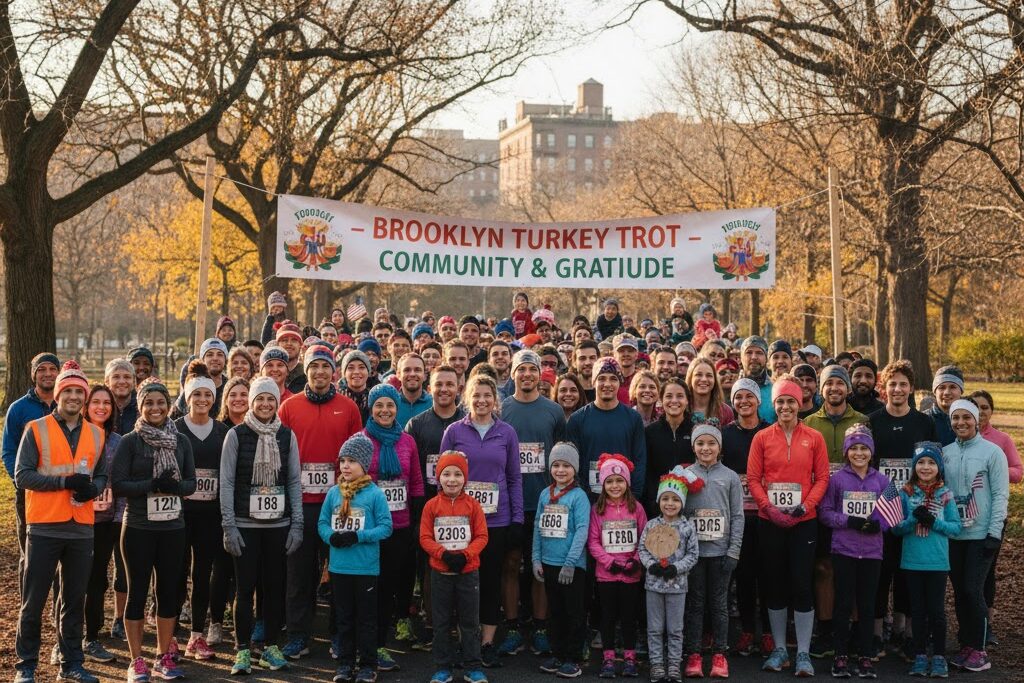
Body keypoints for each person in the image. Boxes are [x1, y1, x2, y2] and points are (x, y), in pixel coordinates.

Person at [14, 361, 106, 683]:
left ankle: (72, 662)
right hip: (43, 526)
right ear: (57, 394)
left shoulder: (96, 433)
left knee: (74, 601)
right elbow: (22, 475)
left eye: (78, 391)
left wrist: (95, 488)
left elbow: (103, 472)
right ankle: (25, 666)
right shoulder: (36, 429)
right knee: (33, 601)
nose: (73, 397)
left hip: (81, 527)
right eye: (66, 390)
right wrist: (65, 482)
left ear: (84, 396)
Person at [278, 345, 363, 659]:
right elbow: (279, 453)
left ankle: (339, 636)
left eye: (325, 367)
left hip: (339, 503)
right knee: (299, 573)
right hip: (300, 503)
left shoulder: (349, 408)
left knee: (340, 573)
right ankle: (299, 635)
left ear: (334, 372)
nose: (319, 373)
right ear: (306, 370)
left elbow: (359, 455)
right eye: (314, 367)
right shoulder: (289, 407)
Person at [112, 376, 197, 682]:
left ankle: (163, 655)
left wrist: (176, 487)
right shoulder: (129, 442)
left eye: (161, 402)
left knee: (168, 593)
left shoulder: (181, 441)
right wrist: (152, 485)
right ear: (140, 406)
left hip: (173, 528)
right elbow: (118, 484)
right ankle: (136, 660)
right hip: (138, 528)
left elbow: (192, 482)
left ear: (168, 405)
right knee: (137, 592)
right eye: (149, 402)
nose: (156, 407)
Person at [746, 375, 829, 677]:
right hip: (771, 522)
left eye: (790, 401)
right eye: (780, 401)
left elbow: (822, 478)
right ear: (774, 404)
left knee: (802, 584)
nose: (785, 406)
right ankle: (780, 649)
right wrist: (768, 508)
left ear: (799, 404)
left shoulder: (814, 438)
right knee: (775, 585)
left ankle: (803, 653)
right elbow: (753, 478)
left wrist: (806, 506)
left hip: (804, 522)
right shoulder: (762, 438)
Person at [219, 376, 302, 674]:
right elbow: (227, 482)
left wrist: (297, 525)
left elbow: (293, 480)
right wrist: (228, 526)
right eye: (260, 399)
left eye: (270, 399)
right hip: (244, 525)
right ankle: (242, 650)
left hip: (278, 526)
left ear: (277, 403)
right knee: (244, 589)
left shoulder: (287, 435)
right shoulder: (237, 435)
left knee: (274, 588)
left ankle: (270, 646)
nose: (265, 404)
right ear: (252, 403)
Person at [439, 374, 524, 668]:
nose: (482, 400)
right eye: (476, 395)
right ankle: (465, 641)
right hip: (461, 521)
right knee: (462, 582)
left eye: (488, 395)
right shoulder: (453, 431)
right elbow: (443, 477)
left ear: (495, 400)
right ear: (467, 398)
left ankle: (486, 642)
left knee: (489, 582)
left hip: (496, 520)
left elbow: (514, 478)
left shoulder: (507, 433)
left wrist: (517, 518)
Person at [498, 350, 567, 658]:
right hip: (511, 503)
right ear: (513, 373)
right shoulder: (502, 408)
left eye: (532, 369)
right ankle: (512, 627)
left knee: (541, 567)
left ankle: (540, 627)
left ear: (540, 374)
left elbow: (563, 455)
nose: (526, 374)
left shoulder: (553, 411)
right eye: (521, 369)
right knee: (511, 564)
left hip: (546, 502)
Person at [867, 360, 936, 657]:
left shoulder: (923, 422)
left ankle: (905, 631)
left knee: (908, 571)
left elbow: (931, 463)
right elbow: (864, 462)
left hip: (912, 505)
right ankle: (877, 633)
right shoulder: (872, 420)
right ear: (884, 388)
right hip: (882, 505)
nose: (897, 389)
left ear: (911, 388)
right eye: (892, 383)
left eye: (903, 384)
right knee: (882, 571)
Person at [318, 433, 393, 683]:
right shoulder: (333, 494)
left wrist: (358, 536)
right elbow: (321, 523)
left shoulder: (375, 494)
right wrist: (332, 537)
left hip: (365, 569)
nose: (345, 466)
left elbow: (386, 527)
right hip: (340, 568)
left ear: (365, 464)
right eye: (342, 461)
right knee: (344, 619)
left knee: (367, 621)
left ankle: (368, 665)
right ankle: (345, 664)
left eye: (351, 461)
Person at [803, 365, 865, 657]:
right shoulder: (809, 422)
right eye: (829, 384)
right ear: (820, 388)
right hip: (820, 503)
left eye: (840, 383)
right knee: (823, 568)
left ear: (848, 389)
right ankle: (826, 630)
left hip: (855, 502)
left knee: (851, 569)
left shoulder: (863, 420)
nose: (834, 389)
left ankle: (852, 630)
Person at [361, 383, 425, 669]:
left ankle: (380, 645)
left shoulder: (407, 441)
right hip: (369, 528)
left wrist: (416, 518)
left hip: (399, 527)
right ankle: (360, 644)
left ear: (396, 409)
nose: (385, 410)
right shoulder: (360, 440)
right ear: (371, 409)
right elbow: (349, 481)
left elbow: (416, 482)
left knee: (388, 588)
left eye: (390, 405)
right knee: (366, 589)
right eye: (379, 405)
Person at [819, 425, 890, 679]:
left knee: (867, 605)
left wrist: (877, 524)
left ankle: (865, 655)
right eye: (854, 448)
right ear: (847, 452)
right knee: (843, 603)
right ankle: (840, 655)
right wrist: (848, 521)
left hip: (872, 552)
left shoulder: (883, 481)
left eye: (864, 448)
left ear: (871, 452)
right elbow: (825, 512)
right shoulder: (837, 480)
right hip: (844, 550)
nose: (859, 453)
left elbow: (892, 514)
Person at [942, 398, 1008, 673]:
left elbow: (1001, 495)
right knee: (959, 592)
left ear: (977, 419)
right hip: (955, 533)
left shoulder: (993, 452)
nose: (961, 423)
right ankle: (966, 645)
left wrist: (994, 532)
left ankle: (980, 650)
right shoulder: (945, 453)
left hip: (982, 533)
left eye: (966, 418)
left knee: (973, 589)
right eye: (956, 418)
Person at [405, 365, 466, 649]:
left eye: (449, 384)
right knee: (430, 568)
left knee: (464, 567)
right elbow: (412, 472)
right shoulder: (417, 424)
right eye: (438, 384)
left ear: (458, 387)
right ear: (430, 387)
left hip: (463, 508)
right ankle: (431, 625)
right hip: (427, 507)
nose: (443, 389)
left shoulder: (467, 422)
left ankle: (462, 624)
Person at [174, 361, 231, 661]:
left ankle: (197, 635)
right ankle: (169, 637)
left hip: (210, 513)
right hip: (179, 513)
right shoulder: (175, 429)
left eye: (207, 395)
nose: (202, 400)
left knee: (203, 572)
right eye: (196, 395)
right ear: (187, 397)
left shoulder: (222, 431)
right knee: (175, 572)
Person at [890, 442, 960, 678]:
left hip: (938, 562)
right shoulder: (906, 492)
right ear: (914, 466)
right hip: (912, 561)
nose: (926, 467)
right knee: (917, 612)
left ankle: (938, 656)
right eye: (921, 462)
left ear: (939, 467)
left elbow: (956, 528)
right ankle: (920, 655)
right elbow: (896, 528)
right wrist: (912, 520)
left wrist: (933, 522)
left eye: (931, 462)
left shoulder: (945, 493)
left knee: (937, 612)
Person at [420, 450, 490, 683]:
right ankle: (443, 667)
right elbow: (425, 537)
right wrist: (443, 554)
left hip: (468, 573)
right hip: (440, 572)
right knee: (440, 623)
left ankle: (473, 666)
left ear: (465, 478)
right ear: (438, 477)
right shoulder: (431, 506)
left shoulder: (473, 505)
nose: (452, 479)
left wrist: (466, 555)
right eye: (446, 474)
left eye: (458, 474)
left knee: (469, 622)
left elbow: (481, 536)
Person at [682, 424, 743, 679]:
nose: (706, 448)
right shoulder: (684, 475)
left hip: (721, 552)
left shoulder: (729, 477)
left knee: (719, 605)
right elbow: (675, 511)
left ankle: (720, 653)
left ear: (719, 447)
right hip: (694, 555)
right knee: (695, 605)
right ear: (693, 446)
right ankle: (694, 654)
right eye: (700, 444)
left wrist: (734, 551)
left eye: (711, 444)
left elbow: (738, 515)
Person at [720, 379, 772, 657]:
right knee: (744, 573)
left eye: (748, 396)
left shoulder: (770, 431)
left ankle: (766, 632)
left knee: (767, 574)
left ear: (758, 401)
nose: (743, 401)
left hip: (766, 513)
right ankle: (747, 630)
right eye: (738, 397)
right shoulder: (726, 435)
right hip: (737, 514)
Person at [531, 442, 590, 679]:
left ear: (574, 469)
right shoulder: (545, 494)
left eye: (566, 466)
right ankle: (557, 652)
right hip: (548, 563)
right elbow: (537, 525)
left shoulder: (579, 497)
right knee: (555, 611)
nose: (561, 470)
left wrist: (571, 562)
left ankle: (573, 658)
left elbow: (582, 530)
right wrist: (536, 558)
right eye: (556, 465)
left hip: (571, 566)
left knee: (573, 611)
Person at [969, 389, 1022, 647]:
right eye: (975, 407)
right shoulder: (962, 434)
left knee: (986, 574)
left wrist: (994, 468)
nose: (980, 412)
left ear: (991, 411)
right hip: (966, 516)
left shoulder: (1001, 440)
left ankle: (987, 625)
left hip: (992, 516)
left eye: (985, 407)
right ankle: (969, 624)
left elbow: (1018, 472)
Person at [639, 466, 701, 683]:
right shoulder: (650, 525)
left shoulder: (687, 527)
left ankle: (673, 664)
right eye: (665, 498)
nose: (670, 503)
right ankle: (657, 665)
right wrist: (650, 565)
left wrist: (677, 568)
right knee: (655, 628)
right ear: (659, 500)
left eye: (675, 499)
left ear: (682, 502)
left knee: (675, 629)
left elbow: (693, 554)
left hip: (677, 587)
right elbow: (643, 550)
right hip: (654, 585)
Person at [3, 351, 59, 593]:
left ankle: (60, 610)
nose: (47, 374)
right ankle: (28, 607)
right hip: (29, 493)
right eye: (42, 369)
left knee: (63, 554)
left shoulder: (69, 403)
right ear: (33, 374)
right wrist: (22, 482)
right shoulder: (19, 409)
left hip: (62, 490)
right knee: (30, 553)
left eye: (52, 369)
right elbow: (8, 451)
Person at [587, 453, 646, 678]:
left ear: (627, 483)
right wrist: (608, 561)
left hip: (631, 574)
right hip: (607, 575)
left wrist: (636, 560)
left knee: (629, 617)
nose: (615, 485)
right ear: (603, 484)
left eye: (620, 480)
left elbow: (646, 537)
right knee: (608, 617)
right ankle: (609, 657)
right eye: (609, 481)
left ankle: (630, 657)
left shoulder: (637, 508)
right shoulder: (598, 510)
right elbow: (593, 540)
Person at [82, 384, 125, 663]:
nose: (101, 407)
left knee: (99, 577)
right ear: (86, 406)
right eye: (95, 402)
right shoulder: (77, 436)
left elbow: (121, 482)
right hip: (77, 518)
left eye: (106, 403)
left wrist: (120, 516)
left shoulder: (118, 441)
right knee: (75, 579)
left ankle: (92, 636)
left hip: (108, 519)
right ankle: (70, 636)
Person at [567, 358, 646, 500]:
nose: (607, 384)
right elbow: (572, 464)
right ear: (593, 382)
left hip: (624, 498)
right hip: (588, 498)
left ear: (619, 383)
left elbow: (639, 460)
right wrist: (582, 497)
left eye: (613, 379)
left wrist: (634, 497)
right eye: (601, 378)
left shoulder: (633, 418)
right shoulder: (577, 419)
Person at [643, 378, 692, 514]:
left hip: (690, 503)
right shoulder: (649, 432)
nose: (674, 400)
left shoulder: (696, 431)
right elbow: (647, 472)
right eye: (669, 396)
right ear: (661, 400)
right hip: (658, 505)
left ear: (687, 400)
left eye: (680, 396)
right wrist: (653, 502)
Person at [686, 357, 734, 426]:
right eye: (698, 375)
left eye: (709, 375)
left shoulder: (726, 412)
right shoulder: (681, 408)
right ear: (690, 378)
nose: (704, 379)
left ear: (715, 380)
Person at [739, 336, 774, 423]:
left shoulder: (775, 389)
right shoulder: (732, 387)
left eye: (759, 353)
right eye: (749, 352)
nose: (754, 357)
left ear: (766, 358)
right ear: (741, 358)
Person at [927, 366, 963, 446]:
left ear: (961, 391)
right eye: (941, 387)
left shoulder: (969, 420)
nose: (946, 392)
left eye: (953, 387)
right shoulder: (923, 421)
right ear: (934, 392)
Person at [396, 353, 432, 428]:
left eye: (417, 370)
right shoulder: (391, 403)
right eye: (407, 370)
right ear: (398, 374)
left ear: (425, 375)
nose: (412, 374)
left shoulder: (434, 404)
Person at [104, 358, 137, 436]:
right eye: (116, 377)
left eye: (127, 377)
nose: (122, 382)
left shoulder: (141, 409)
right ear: (107, 381)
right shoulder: (100, 408)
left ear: (134, 381)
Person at [340, 350, 374, 425]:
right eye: (351, 368)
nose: (356, 372)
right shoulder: (337, 399)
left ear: (368, 372)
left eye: (361, 367)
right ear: (344, 373)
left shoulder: (374, 399)